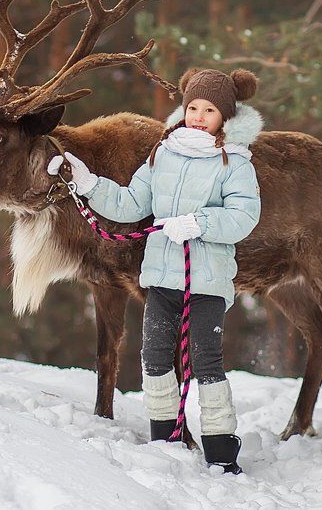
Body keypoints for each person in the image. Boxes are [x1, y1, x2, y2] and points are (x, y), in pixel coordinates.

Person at [47, 68, 263, 474]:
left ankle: (220, 448)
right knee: (156, 356)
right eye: (193, 107)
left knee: (205, 361)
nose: (198, 116)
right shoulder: (162, 153)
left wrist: (200, 223)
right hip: (162, 277)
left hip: (207, 282)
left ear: (226, 117)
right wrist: (90, 184)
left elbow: (244, 216)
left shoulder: (235, 163)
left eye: (210, 110)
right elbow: (130, 203)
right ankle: (165, 436)